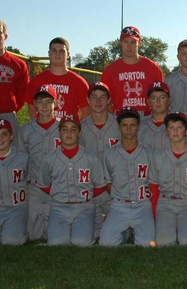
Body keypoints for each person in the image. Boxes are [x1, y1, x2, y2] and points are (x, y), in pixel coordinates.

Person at [38, 115, 107, 246]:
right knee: (56, 243)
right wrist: (56, 192)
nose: (69, 133)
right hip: (59, 207)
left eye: (73, 129)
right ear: (59, 132)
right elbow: (43, 183)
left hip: (84, 207)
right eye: (64, 129)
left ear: (80, 133)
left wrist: (89, 195)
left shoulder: (90, 157)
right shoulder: (50, 158)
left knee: (81, 243)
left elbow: (101, 185)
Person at [148, 112, 187, 246]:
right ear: (166, 132)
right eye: (171, 127)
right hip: (165, 204)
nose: (175, 131)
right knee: (163, 243)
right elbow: (153, 188)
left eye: (179, 127)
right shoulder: (158, 155)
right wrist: (155, 213)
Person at [100, 107, 155, 247]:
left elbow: (154, 182)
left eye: (132, 125)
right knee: (106, 244)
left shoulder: (149, 153)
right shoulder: (110, 154)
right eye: (125, 125)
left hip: (143, 205)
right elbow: (107, 182)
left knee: (147, 245)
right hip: (119, 205)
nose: (128, 129)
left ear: (138, 127)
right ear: (119, 127)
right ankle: (124, 232)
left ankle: (135, 230)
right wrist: (119, 195)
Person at [18, 85, 61, 240]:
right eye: (40, 101)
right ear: (34, 103)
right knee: (33, 235)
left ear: (55, 103)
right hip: (34, 186)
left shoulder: (64, 128)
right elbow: (21, 161)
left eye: (48, 101)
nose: (44, 105)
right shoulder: (26, 130)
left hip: (57, 186)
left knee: (57, 236)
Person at [80, 82, 121, 240]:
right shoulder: (80, 127)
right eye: (94, 97)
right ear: (88, 100)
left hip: (114, 187)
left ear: (109, 100)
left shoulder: (119, 125)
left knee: (116, 235)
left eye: (103, 97)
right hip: (89, 188)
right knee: (87, 236)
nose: (98, 101)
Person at [100, 26, 164, 116]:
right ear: (120, 43)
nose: (129, 46)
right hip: (120, 116)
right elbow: (104, 100)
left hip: (146, 118)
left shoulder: (152, 67)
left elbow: (162, 97)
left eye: (133, 42)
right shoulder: (111, 70)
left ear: (139, 43)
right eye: (125, 41)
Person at [25, 37, 90, 120]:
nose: (57, 54)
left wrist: (74, 129)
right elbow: (32, 110)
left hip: (68, 131)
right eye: (54, 50)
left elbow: (86, 113)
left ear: (68, 54)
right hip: (44, 131)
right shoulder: (37, 80)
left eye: (61, 51)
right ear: (49, 53)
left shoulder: (79, 82)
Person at [138, 82, 171, 149]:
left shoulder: (178, 124)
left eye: (162, 97)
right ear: (148, 102)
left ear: (169, 100)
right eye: (154, 98)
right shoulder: (139, 126)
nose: (158, 101)